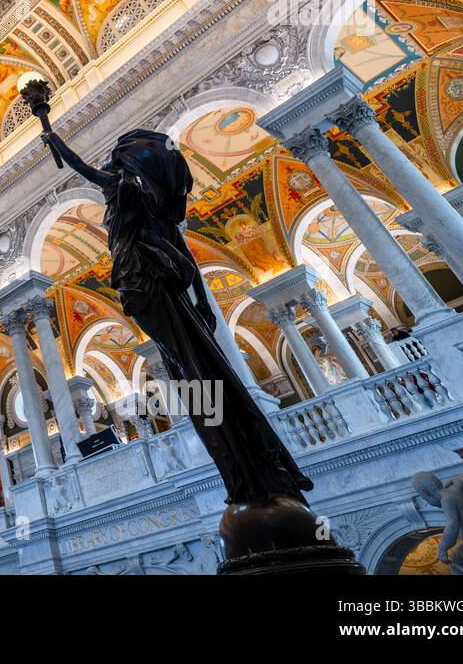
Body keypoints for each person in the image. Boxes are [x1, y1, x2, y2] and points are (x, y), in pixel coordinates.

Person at [40, 127, 313, 505]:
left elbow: (82, 168)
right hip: (149, 285)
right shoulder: (153, 205)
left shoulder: (127, 192)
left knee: (190, 364)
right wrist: (201, 300)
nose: (111, 166)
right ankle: (240, 450)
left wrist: (51, 133)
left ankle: (236, 452)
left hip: (143, 283)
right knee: (190, 362)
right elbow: (185, 254)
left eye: (117, 160)